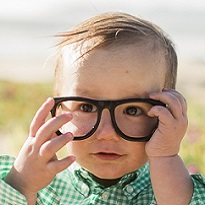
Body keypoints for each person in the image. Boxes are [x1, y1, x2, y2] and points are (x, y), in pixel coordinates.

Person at [0, 12, 205, 205]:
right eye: (87, 106)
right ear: (59, 111)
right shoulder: (41, 187)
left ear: (165, 114)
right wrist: (22, 185)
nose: (107, 133)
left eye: (132, 110)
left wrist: (165, 156)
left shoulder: (169, 189)